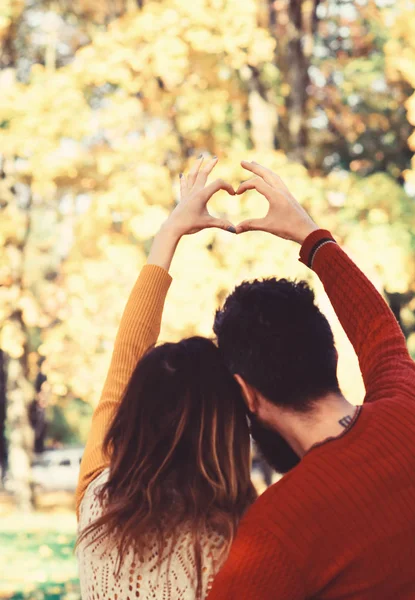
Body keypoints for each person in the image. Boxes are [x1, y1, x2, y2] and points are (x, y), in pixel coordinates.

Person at [208, 161, 415, 599]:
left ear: (246, 394)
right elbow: (380, 334)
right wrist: (312, 238)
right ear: (331, 353)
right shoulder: (411, 420)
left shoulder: (274, 532)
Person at [75, 157, 257, 600]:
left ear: (133, 413)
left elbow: (124, 363)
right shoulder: (246, 541)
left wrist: (170, 232)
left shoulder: (95, 505)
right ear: (228, 426)